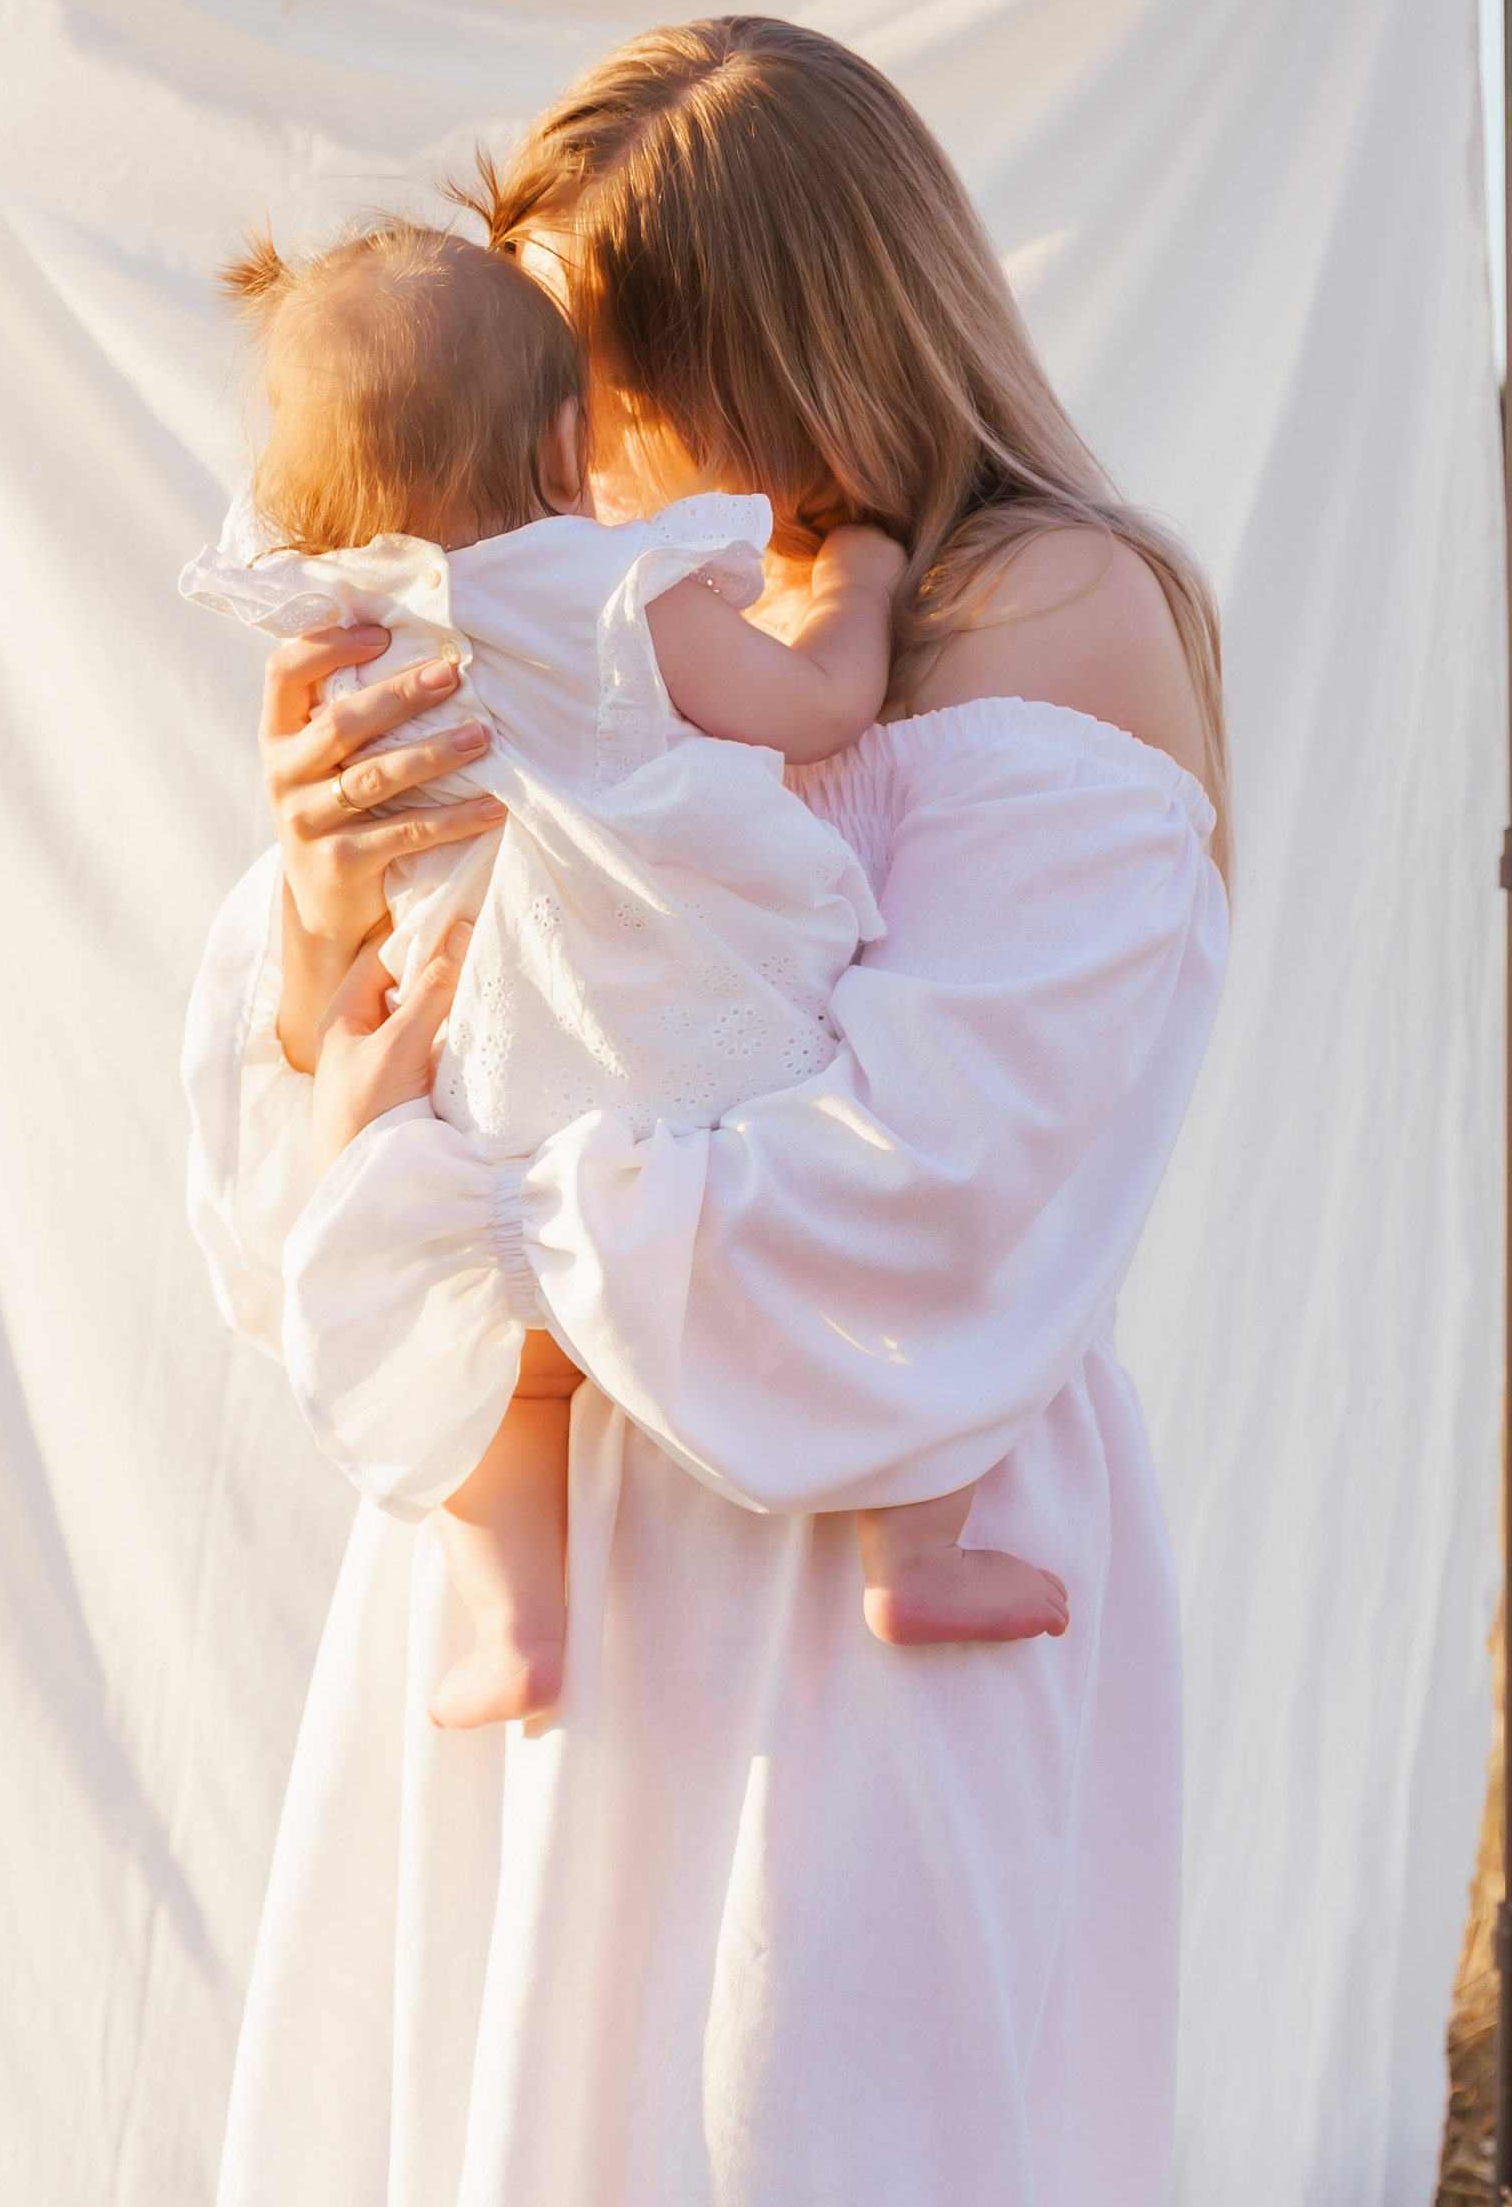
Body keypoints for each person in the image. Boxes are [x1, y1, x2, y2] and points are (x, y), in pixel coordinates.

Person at [154, 17, 1229, 2207]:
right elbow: (300, 1157)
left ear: (795, 335)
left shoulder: (1039, 612)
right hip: (540, 1581)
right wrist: (318, 915)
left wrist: (496, 1191)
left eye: (611, 381)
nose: (561, 453)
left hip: (838, 1601)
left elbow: (960, 1175)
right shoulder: (588, 624)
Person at [184, 214, 1069, 1725]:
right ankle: (913, 1546)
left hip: (486, 1084)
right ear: (559, 446)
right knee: (882, 1280)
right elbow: (811, 707)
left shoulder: (337, 647)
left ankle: (517, 1618)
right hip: (694, 1043)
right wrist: (855, 576)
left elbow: (346, 872)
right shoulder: (604, 589)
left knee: (504, 1360)